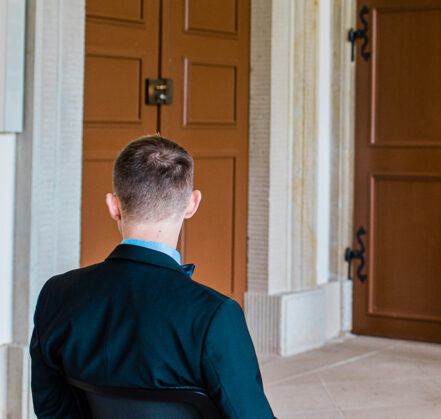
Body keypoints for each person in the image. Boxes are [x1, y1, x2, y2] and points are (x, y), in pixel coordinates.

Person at [30, 135, 275, 418]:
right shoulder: (215, 314)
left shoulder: (56, 294)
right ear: (192, 204)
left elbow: (51, 408)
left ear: (113, 206)